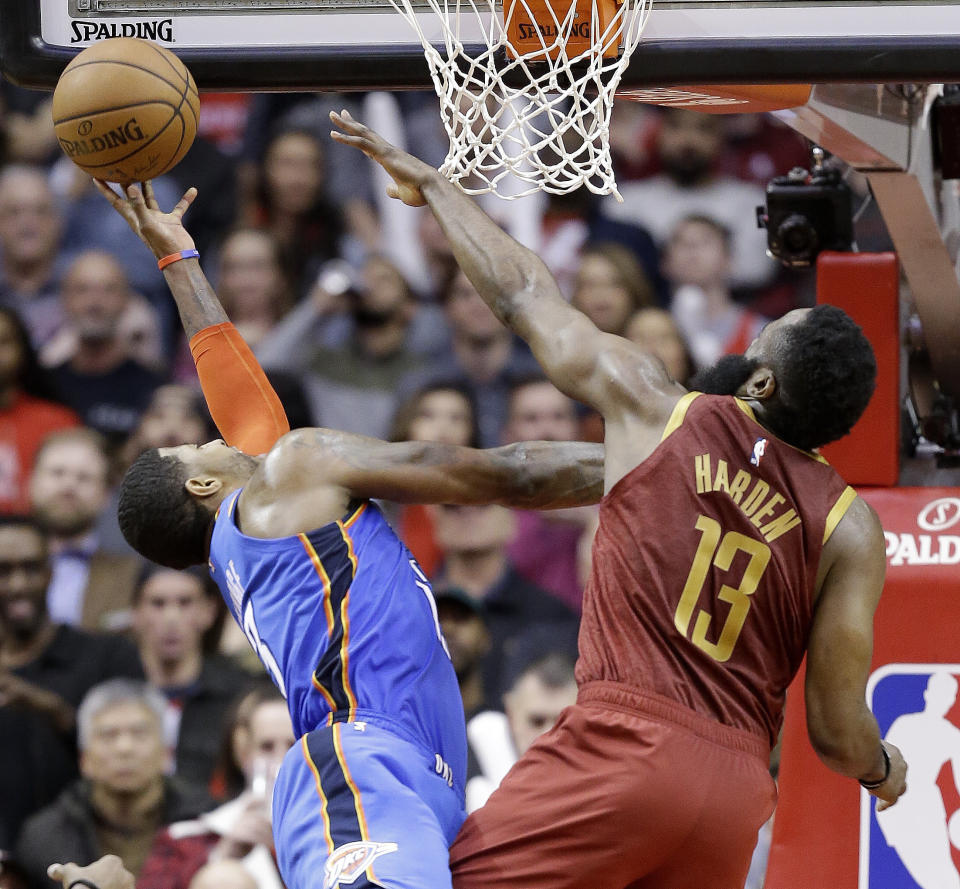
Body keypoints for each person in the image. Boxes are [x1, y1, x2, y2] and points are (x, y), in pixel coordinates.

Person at [331, 109, 908, 889]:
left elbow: (526, 297)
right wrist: (882, 766)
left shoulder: (659, 407)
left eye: (762, 338)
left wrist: (439, 188)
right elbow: (838, 731)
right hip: (735, 791)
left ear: (762, 382)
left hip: (624, 745)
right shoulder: (852, 526)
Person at [94, 177, 604, 889]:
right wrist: (666, 453)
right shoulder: (282, 491)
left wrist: (179, 263)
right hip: (360, 759)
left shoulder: (264, 532)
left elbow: (242, 405)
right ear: (204, 486)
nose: (216, 438)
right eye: (199, 449)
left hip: (406, 776)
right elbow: (508, 475)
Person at [0, 515, 143, 849]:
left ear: (51, 572)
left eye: (31, 568)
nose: (18, 584)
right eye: (3, 571)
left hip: (88, 856)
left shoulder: (109, 657)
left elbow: (142, 752)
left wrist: (57, 712)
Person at [15, 679, 211, 889]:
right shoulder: (45, 836)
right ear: (84, 758)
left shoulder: (206, 822)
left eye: (139, 733)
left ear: (166, 753)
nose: (124, 748)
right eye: (109, 735)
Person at [139, 685, 294, 889]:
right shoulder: (187, 837)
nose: (281, 760)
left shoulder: (337, 830)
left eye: (294, 747)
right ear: (242, 752)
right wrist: (222, 856)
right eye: (266, 747)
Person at [131, 565, 253, 786]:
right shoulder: (114, 693)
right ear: (136, 613)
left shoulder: (240, 698)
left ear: (209, 611)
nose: (171, 618)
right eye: (158, 604)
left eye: (185, 603)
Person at [29, 428, 142, 633]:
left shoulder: (131, 576)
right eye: (57, 472)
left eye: (84, 478)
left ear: (106, 494)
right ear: (32, 481)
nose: (68, 486)